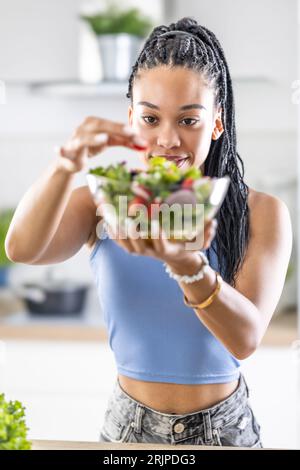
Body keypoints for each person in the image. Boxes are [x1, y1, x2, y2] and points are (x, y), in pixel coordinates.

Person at [5, 17, 292, 448]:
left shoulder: (261, 212)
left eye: (189, 121)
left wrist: (186, 264)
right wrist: (66, 163)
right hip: (127, 430)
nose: (168, 139)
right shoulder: (102, 200)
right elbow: (22, 249)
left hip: (225, 432)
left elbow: (245, 339)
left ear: (217, 122)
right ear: (131, 120)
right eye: (151, 118)